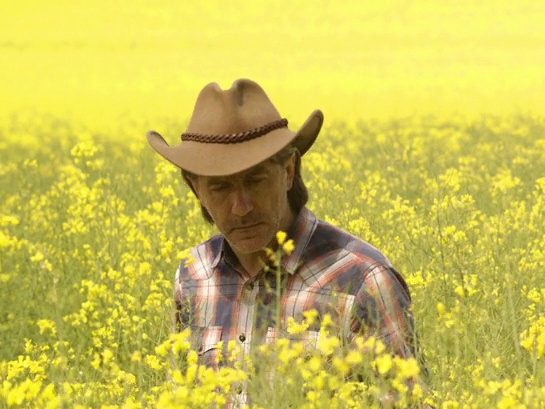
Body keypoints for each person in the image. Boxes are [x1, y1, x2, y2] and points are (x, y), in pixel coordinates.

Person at [149, 79, 419, 390]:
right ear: (195, 187)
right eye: (220, 187)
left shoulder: (361, 280)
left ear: (288, 171)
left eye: (256, 180)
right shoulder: (193, 275)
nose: (241, 207)